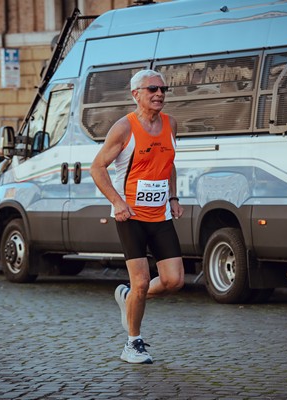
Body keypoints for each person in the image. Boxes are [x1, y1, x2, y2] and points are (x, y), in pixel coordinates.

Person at [90, 69, 184, 365]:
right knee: (142, 281)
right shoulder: (124, 128)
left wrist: (173, 197)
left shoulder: (171, 124)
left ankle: (130, 296)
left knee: (174, 281)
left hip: (160, 214)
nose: (159, 94)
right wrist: (117, 202)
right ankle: (132, 343)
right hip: (129, 215)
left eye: (163, 89)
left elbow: (168, 164)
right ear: (136, 95)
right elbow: (97, 168)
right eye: (152, 89)